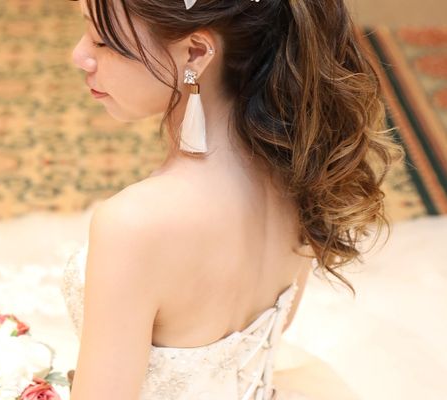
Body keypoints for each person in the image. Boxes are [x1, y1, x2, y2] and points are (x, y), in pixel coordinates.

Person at [63, 0, 404, 399]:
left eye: (102, 41)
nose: (79, 55)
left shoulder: (133, 225)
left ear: (196, 52)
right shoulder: (299, 169)